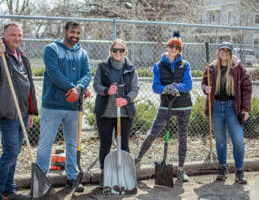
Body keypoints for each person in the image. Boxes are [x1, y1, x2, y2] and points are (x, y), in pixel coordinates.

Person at [0, 22, 38, 200]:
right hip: (7, 112)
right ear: (4, 35)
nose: (17, 38)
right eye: (13, 35)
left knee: (14, 152)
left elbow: (29, 87)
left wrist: (30, 112)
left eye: (19, 35)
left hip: (21, 113)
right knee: (11, 152)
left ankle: (8, 190)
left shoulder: (21, 57)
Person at [36, 21, 91, 192]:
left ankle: (72, 177)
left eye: (78, 33)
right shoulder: (52, 49)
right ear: (64, 31)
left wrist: (80, 88)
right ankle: (40, 180)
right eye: (72, 32)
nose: (75, 35)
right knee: (46, 142)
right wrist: (72, 88)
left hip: (74, 107)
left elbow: (87, 74)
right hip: (52, 105)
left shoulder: (82, 53)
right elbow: (54, 73)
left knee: (72, 142)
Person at [135, 31, 192, 182]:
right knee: (153, 133)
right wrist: (166, 89)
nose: (173, 49)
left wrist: (176, 86)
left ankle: (180, 169)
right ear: (167, 47)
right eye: (171, 46)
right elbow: (155, 86)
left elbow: (188, 85)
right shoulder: (158, 66)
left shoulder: (185, 65)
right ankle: (138, 159)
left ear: (180, 50)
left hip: (184, 106)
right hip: (166, 106)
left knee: (182, 137)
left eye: (177, 47)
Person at [201, 42, 252, 184]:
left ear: (230, 53)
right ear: (218, 52)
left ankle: (239, 171)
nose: (224, 52)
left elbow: (247, 88)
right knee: (221, 141)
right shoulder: (211, 67)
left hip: (232, 108)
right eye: (222, 50)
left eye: (227, 50)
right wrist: (206, 88)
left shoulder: (238, 67)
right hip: (216, 107)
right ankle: (223, 168)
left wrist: (246, 109)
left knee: (238, 140)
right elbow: (204, 82)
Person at [93, 39, 139, 187]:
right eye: (115, 50)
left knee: (123, 143)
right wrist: (107, 91)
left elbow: (135, 89)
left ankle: (124, 174)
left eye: (121, 50)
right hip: (105, 112)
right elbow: (96, 85)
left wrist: (126, 100)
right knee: (105, 144)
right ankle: (104, 174)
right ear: (110, 51)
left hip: (124, 113)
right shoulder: (102, 67)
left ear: (125, 52)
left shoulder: (131, 69)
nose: (118, 53)